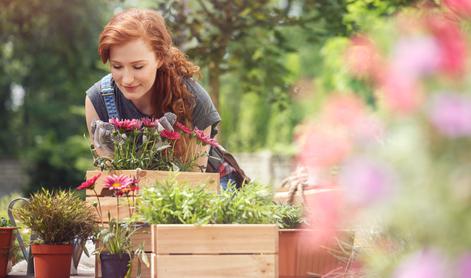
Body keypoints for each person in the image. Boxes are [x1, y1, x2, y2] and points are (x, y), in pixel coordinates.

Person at [85, 8, 221, 171]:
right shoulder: (98, 100)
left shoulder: (194, 100)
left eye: (138, 66)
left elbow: (194, 184)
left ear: (159, 58)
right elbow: (111, 181)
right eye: (117, 66)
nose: (127, 79)